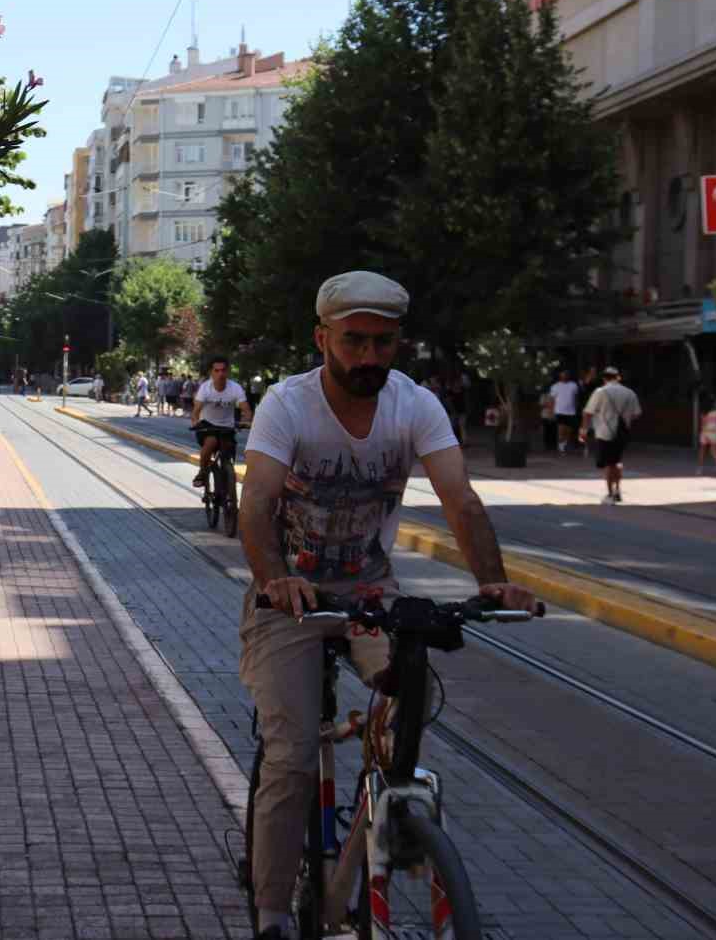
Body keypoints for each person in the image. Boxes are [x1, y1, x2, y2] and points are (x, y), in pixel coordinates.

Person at [236, 271, 536, 940]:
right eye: (354, 342)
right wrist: (275, 577)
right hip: (291, 599)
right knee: (288, 755)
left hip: (371, 592)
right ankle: (274, 911)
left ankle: (380, 807)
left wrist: (493, 580)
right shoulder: (288, 404)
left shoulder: (414, 406)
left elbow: (461, 500)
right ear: (323, 339)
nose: (369, 356)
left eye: (383, 342)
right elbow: (255, 504)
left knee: (412, 700)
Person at [582, 366, 642, 504]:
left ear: (604, 378)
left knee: (609, 463)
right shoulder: (629, 392)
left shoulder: (600, 391)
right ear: (618, 377)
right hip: (623, 432)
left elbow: (588, 412)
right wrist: (624, 419)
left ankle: (610, 494)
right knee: (617, 461)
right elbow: (637, 413)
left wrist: (584, 430)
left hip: (604, 432)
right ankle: (618, 490)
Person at [191, 356, 250, 487]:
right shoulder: (205, 388)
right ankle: (202, 470)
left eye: (223, 370)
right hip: (207, 426)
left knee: (228, 449)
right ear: (211, 372)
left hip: (227, 427)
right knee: (211, 441)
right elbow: (196, 411)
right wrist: (195, 422)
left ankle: (228, 486)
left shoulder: (235, 388)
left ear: (227, 371)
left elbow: (246, 409)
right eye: (216, 370)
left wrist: (246, 421)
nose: (220, 374)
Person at [550, 370, 582, 454]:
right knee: (561, 430)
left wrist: (576, 408)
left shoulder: (573, 385)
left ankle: (564, 445)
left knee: (568, 430)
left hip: (571, 411)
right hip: (559, 411)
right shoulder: (555, 386)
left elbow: (576, 398)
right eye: (563, 374)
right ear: (560, 375)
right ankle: (561, 447)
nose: (564, 376)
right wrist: (552, 411)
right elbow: (552, 400)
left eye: (566, 374)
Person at [697, 393, 716, 477]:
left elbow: (703, 424)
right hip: (714, 432)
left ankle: (700, 469)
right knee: (714, 451)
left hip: (705, 432)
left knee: (702, 451)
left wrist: (702, 432)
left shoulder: (703, 412)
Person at [539, 383, 558, 452]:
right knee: (547, 431)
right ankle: (547, 446)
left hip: (554, 415)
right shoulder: (543, 395)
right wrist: (549, 404)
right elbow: (542, 404)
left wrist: (550, 404)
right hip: (545, 415)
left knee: (553, 431)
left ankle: (553, 445)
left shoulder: (556, 395)